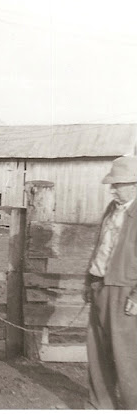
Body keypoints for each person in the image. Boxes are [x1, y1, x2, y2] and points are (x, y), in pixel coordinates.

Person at [84, 154, 137, 410]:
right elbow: (100, 247)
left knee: (125, 356)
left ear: (135, 185)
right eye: (112, 185)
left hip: (125, 291)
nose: (113, 189)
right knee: (98, 352)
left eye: (118, 185)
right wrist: (89, 281)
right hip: (100, 285)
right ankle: (100, 406)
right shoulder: (111, 209)